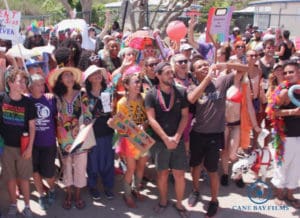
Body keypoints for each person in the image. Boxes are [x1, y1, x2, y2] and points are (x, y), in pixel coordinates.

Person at [187, 59, 247, 217]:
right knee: (195, 166)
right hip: (197, 134)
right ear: (194, 73)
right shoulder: (192, 87)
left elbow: (245, 69)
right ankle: (195, 191)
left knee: (212, 170)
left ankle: (214, 201)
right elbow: (192, 99)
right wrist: (207, 79)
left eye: (205, 64)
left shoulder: (222, 81)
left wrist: (226, 65)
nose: (204, 67)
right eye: (199, 66)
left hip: (215, 135)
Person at [145, 62, 189, 217]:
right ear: (158, 75)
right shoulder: (151, 94)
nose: (171, 75)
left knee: (179, 174)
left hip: (177, 140)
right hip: (159, 142)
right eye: (167, 73)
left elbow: (185, 116)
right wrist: (165, 138)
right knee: (162, 174)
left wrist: (176, 137)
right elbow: (151, 119)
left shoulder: (181, 92)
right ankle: (163, 201)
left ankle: (179, 203)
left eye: (172, 72)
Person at [49, 67, 92, 210]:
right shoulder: (56, 97)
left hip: (80, 136)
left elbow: (88, 115)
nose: (69, 78)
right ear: (61, 80)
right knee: (66, 166)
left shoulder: (82, 94)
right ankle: (68, 194)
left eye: (71, 75)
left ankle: (78, 194)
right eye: (65, 76)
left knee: (80, 166)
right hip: (63, 138)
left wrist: (84, 128)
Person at [109, 65, 149, 208]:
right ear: (126, 85)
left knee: (141, 166)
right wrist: (130, 129)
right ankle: (127, 194)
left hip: (143, 137)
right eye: (135, 82)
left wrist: (144, 125)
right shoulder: (122, 103)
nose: (138, 85)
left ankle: (136, 189)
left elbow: (149, 117)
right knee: (131, 168)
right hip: (129, 140)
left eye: (139, 81)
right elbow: (122, 125)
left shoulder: (144, 98)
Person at [0, 68, 36, 217]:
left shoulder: (28, 103)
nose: (23, 84)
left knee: (24, 178)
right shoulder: (2, 99)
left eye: (24, 82)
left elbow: (33, 127)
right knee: (10, 178)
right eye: (19, 81)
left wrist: (29, 148)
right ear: (10, 82)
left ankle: (27, 206)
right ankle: (13, 204)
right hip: (6, 148)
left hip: (23, 147)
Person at [267, 61, 300, 208]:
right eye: (285, 73)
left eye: (291, 72)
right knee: (282, 165)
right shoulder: (284, 91)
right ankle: (279, 193)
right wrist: (292, 112)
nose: (287, 75)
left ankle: (290, 194)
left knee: (296, 166)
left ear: (298, 72)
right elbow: (272, 112)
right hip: (286, 136)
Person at [83, 65, 115, 200]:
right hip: (92, 134)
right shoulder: (85, 95)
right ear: (89, 79)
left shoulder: (107, 92)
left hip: (107, 132)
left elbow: (110, 113)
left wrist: (113, 115)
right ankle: (93, 186)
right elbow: (83, 116)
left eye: (99, 73)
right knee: (93, 163)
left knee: (108, 162)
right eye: (94, 74)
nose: (98, 75)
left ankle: (108, 186)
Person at [29, 74, 57, 210]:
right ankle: (41, 195)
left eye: (42, 84)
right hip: (32, 145)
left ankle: (52, 189)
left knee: (49, 173)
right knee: (35, 172)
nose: (41, 87)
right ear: (30, 87)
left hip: (48, 143)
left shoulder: (50, 100)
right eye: (38, 84)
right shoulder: (26, 100)